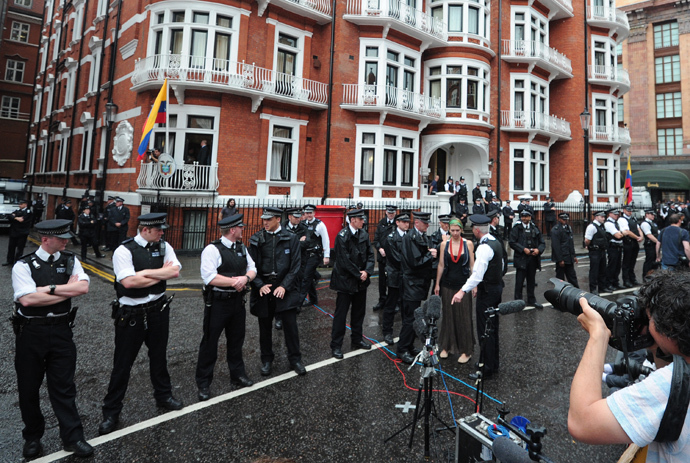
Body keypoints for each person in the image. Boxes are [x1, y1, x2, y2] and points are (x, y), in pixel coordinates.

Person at [568, 271, 690, 462]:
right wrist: (655, 344)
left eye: (649, 318)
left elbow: (581, 422)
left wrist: (598, 335)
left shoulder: (672, 386)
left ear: (670, 331)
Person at [11, 220, 94, 459]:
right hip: (31, 333)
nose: (67, 241)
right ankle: (33, 437)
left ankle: (73, 437)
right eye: (62, 238)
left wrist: (44, 290)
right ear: (46, 239)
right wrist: (61, 288)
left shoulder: (70, 260)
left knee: (64, 388)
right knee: (29, 388)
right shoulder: (23, 265)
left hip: (61, 331)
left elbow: (83, 288)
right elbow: (26, 300)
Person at [99, 213, 183, 436]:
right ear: (145, 230)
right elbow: (129, 282)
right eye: (158, 229)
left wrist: (145, 273)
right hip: (131, 314)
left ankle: (163, 396)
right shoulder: (124, 250)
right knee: (122, 364)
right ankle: (111, 412)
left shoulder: (164, 247)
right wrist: (159, 274)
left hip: (158, 310)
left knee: (159, 357)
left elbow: (175, 271)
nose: (162, 232)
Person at [196, 214, 257, 401]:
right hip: (218, 304)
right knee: (210, 342)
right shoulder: (212, 249)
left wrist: (245, 279)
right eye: (240, 227)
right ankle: (204, 383)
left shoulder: (241, 247)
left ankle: (237, 375)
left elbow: (253, 268)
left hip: (237, 302)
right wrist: (234, 282)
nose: (243, 229)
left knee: (236, 340)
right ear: (232, 230)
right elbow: (209, 277)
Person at [248, 207, 306, 377]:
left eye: (269, 219)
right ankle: (267, 360)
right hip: (264, 289)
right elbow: (251, 266)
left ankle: (295, 359)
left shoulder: (291, 238)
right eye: (263, 219)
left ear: (278, 219)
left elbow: (296, 265)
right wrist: (259, 284)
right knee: (265, 328)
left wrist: (284, 286)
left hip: (284, 288)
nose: (265, 222)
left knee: (290, 327)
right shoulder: (257, 239)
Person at [452, 215, 504, 380]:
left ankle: (486, 368)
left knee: (485, 330)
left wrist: (462, 291)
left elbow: (477, 275)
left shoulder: (483, 248)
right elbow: (502, 266)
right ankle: (492, 363)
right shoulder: (495, 242)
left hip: (487, 292)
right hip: (495, 288)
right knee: (493, 327)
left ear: (476, 230)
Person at [329, 208, 375, 359]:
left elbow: (370, 255)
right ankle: (336, 345)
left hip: (361, 281)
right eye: (361, 219)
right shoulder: (342, 236)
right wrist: (358, 274)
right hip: (345, 281)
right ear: (353, 220)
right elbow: (343, 260)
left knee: (358, 313)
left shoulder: (364, 234)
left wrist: (366, 272)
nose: (363, 222)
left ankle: (357, 339)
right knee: (341, 315)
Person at [398, 211, 437, 364]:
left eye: (427, 222)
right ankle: (402, 349)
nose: (427, 225)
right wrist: (430, 255)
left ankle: (409, 345)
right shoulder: (410, 237)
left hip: (418, 283)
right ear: (417, 223)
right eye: (425, 223)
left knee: (415, 316)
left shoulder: (421, 236)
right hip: (411, 284)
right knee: (410, 318)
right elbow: (414, 262)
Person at [434, 218, 475, 364]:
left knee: (463, 316)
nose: (455, 233)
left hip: (463, 286)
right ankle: (446, 346)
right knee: (448, 316)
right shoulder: (444, 244)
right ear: (449, 230)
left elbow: (472, 265)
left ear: (461, 230)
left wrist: (474, 285)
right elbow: (441, 265)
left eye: (458, 230)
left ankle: (466, 350)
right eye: (453, 231)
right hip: (447, 285)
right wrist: (437, 284)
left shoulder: (468, 244)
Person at [276, 207, 308, 330]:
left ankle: (292, 313)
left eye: (299, 216)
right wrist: (298, 242)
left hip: (298, 263)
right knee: (280, 291)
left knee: (295, 289)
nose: (298, 219)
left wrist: (295, 243)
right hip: (284, 263)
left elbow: (307, 243)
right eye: (295, 217)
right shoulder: (282, 227)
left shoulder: (303, 228)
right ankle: (278, 318)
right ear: (289, 217)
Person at [381, 213, 410, 346]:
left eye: (407, 222)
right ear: (397, 223)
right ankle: (387, 331)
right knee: (391, 305)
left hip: (407, 275)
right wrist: (412, 263)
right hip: (395, 275)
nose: (406, 224)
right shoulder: (391, 238)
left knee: (406, 305)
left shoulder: (409, 236)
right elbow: (395, 258)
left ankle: (407, 332)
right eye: (403, 222)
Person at [509, 210, 545, 309]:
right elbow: (512, 242)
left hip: (532, 259)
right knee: (519, 281)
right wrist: (523, 249)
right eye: (523, 216)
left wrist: (538, 250)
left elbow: (542, 242)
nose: (525, 218)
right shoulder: (517, 228)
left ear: (530, 217)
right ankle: (518, 301)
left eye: (527, 216)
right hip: (521, 258)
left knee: (531, 280)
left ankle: (531, 299)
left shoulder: (535, 228)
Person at [300, 204, 330, 307]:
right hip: (305, 254)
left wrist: (326, 256)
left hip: (314, 254)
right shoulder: (302, 224)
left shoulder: (320, 225)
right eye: (307, 213)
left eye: (310, 213)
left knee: (305, 277)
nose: (309, 215)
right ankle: (313, 299)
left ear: (314, 213)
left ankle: (298, 303)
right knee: (309, 276)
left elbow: (326, 240)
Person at [372, 205, 397, 312]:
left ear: (395, 213)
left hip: (393, 259)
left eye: (392, 213)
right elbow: (376, 239)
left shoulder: (398, 223)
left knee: (393, 281)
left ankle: (394, 302)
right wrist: (379, 249)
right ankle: (382, 300)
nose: (390, 214)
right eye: (389, 212)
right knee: (382, 281)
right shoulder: (381, 223)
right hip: (382, 258)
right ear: (386, 212)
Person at [584, 210, 610, 295]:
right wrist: (590, 246)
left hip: (602, 251)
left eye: (604, 217)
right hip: (595, 251)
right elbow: (587, 240)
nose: (604, 218)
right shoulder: (592, 227)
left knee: (603, 270)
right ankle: (593, 289)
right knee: (594, 271)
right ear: (596, 217)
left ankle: (602, 287)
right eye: (602, 217)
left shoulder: (602, 226)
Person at [551, 212, 579, 287]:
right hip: (562, 257)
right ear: (559, 219)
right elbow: (556, 246)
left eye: (566, 219)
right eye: (563, 219)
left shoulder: (568, 228)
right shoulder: (555, 230)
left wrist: (574, 256)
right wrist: (560, 259)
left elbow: (571, 243)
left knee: (572, 277)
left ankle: (576, 292)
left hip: (569, 257)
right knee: (560, 278)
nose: (565, 221)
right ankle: (559, 293)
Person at [619, 205, 643, 287]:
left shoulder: (633, 218)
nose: (630, 212)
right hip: (628, 242)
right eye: (628, 210)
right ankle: (626, 281)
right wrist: (637, 237)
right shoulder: (622, 219)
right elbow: (627, 231)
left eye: (631, 211)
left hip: (635, 242)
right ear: (624, 210)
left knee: (632, 262)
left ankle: (632, 279)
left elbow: (638, 228)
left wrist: (641, 236)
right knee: (626, 263)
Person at [4, 198, 32, 267]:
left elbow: (22, 220)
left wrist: (15, 217)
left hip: (22, 232)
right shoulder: (17, 211)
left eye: (21, 204)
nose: (19, 205)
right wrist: (16, 218)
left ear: (25, 205)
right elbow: (9, 217)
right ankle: (9, 261)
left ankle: (17, 261)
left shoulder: (28, 212)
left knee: (20, 248)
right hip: (14, 232)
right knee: (11, 247)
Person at [604, 208, 624, 290]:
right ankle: (609, 283)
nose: (617, 216)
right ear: (610, 214)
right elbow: (618, 235)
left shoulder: (615, 223)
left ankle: (615, 282)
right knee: (612, 266)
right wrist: (624, 233)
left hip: (618, 246)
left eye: (617, 214)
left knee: (617, 266)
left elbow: (620, 234)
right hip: (612, 247)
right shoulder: (608, 224)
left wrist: (621, 233)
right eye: (615, 214)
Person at [640, 209, 660, 277]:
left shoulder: (652, 223)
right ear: (647, 214)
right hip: (650, 244)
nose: (653, 216)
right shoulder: (645, 223)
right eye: (651, 214)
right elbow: (649, 235)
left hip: (654, 244)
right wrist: (658, 242)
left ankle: (652, 275)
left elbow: (657, 232)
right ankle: (646, 275)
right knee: (649, 260)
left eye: (653, 215)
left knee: (654, 260)